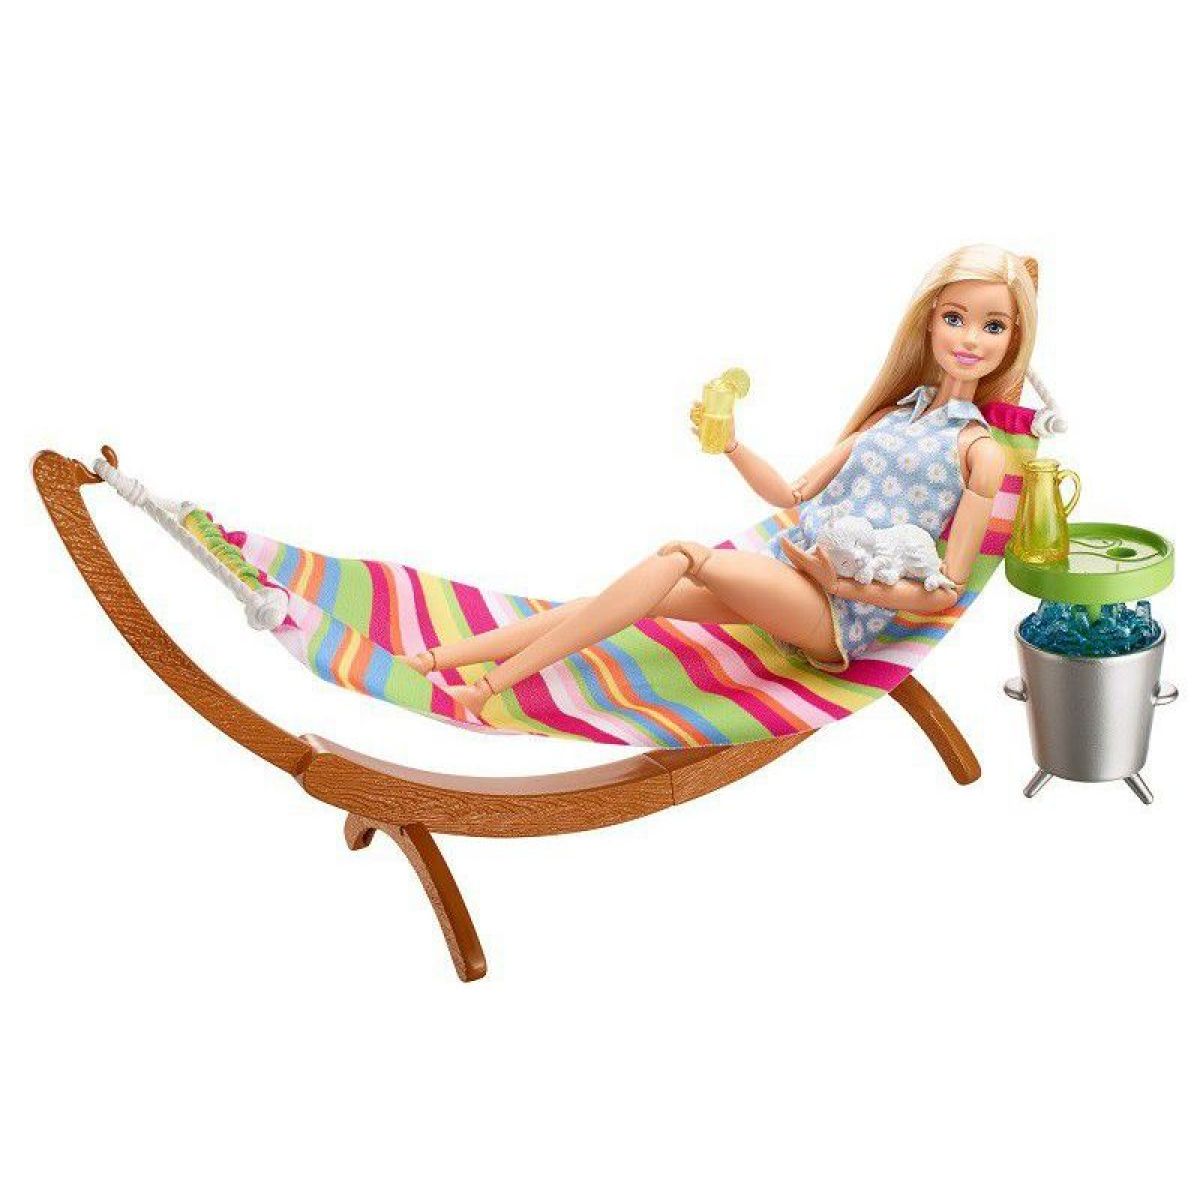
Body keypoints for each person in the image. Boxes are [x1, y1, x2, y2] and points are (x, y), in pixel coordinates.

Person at [404, 245, 1042, 718]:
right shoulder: (888, 417)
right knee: (646, 594)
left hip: (836, 612)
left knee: (682, 555)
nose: (970, 339)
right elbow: (792, 494)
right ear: (929, 321)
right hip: (792, 574)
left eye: (993, 326)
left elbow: (944, 591)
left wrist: (839, 583)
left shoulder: (978, 451)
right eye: (956, 317)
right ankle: (435, 660)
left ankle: (485, 691)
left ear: (1013, 341)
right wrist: (732, 443)